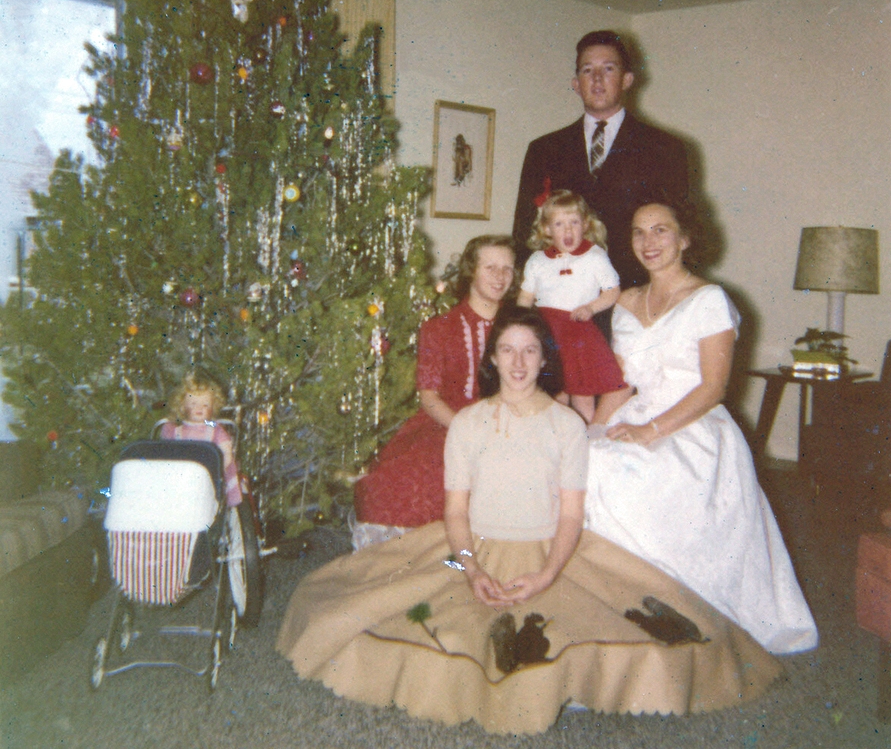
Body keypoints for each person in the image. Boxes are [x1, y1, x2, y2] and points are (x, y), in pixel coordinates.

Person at [277, 306, 782, 735]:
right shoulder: (468, 423)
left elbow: (570, 515)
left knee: (615, 631)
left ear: (544, 361)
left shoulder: (567, 426)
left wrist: (545, 575)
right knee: (411, 598)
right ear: (492, 359)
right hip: (464, 552)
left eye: (530, 351)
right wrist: (473, 570)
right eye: (507, 351)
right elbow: (455, 512)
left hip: (556, 553)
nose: (518, 363)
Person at [583, 198, 819, 655]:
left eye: (660, 230)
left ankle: (664, 609)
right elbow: (618, 384)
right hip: (635, 416)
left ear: (686, 238)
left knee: (625, 478)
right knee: (587, 462)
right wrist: (593, 429)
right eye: (638, 231)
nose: (648, 242)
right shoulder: (627, 301)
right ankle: (605, 607)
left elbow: (713, 387)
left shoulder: (709, 300)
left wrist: (651, 432)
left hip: (691, 426)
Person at [352, 235, 515, 548]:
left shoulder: (521, 325)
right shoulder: (439, 328)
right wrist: (468, 430)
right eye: (490, 267)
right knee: (401, 484)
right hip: (449, 422)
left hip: (508, 421)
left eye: (507, 269)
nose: (500, 276)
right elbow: (429, 397)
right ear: (471, 270)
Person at [512, 30, 688, 287]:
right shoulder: (544, 149)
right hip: (560, 298)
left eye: (608, 69)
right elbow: (523, 234)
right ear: (575, 83)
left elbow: (680, 234)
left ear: (627, 80)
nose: (596, 79)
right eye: (587, 70)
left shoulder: (664, 148)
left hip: (635, 295)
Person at [517, 189, 625, 423]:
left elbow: (612, 291)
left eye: (574, 222)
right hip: (547, 333)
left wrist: (591, 308)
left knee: (582, 395)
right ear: (546, 229)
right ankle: (555, 444)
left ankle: (587, 442)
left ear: (585, 225)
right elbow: (525, 299)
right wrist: (519, 327)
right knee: (554, 395)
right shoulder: (537, 261)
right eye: (559, 224)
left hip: (578, 333)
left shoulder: (595, 257)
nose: (567, 230)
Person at [161, 370, 241, 507]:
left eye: (205, 405)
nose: (199, 408)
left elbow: (226, 451)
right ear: (183, 405)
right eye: (193, 404)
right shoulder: (177, 429)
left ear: (213, 407)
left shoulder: (214, 428)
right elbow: (164, 451)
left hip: (208, 480)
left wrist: (219, 468)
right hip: (180, 480)